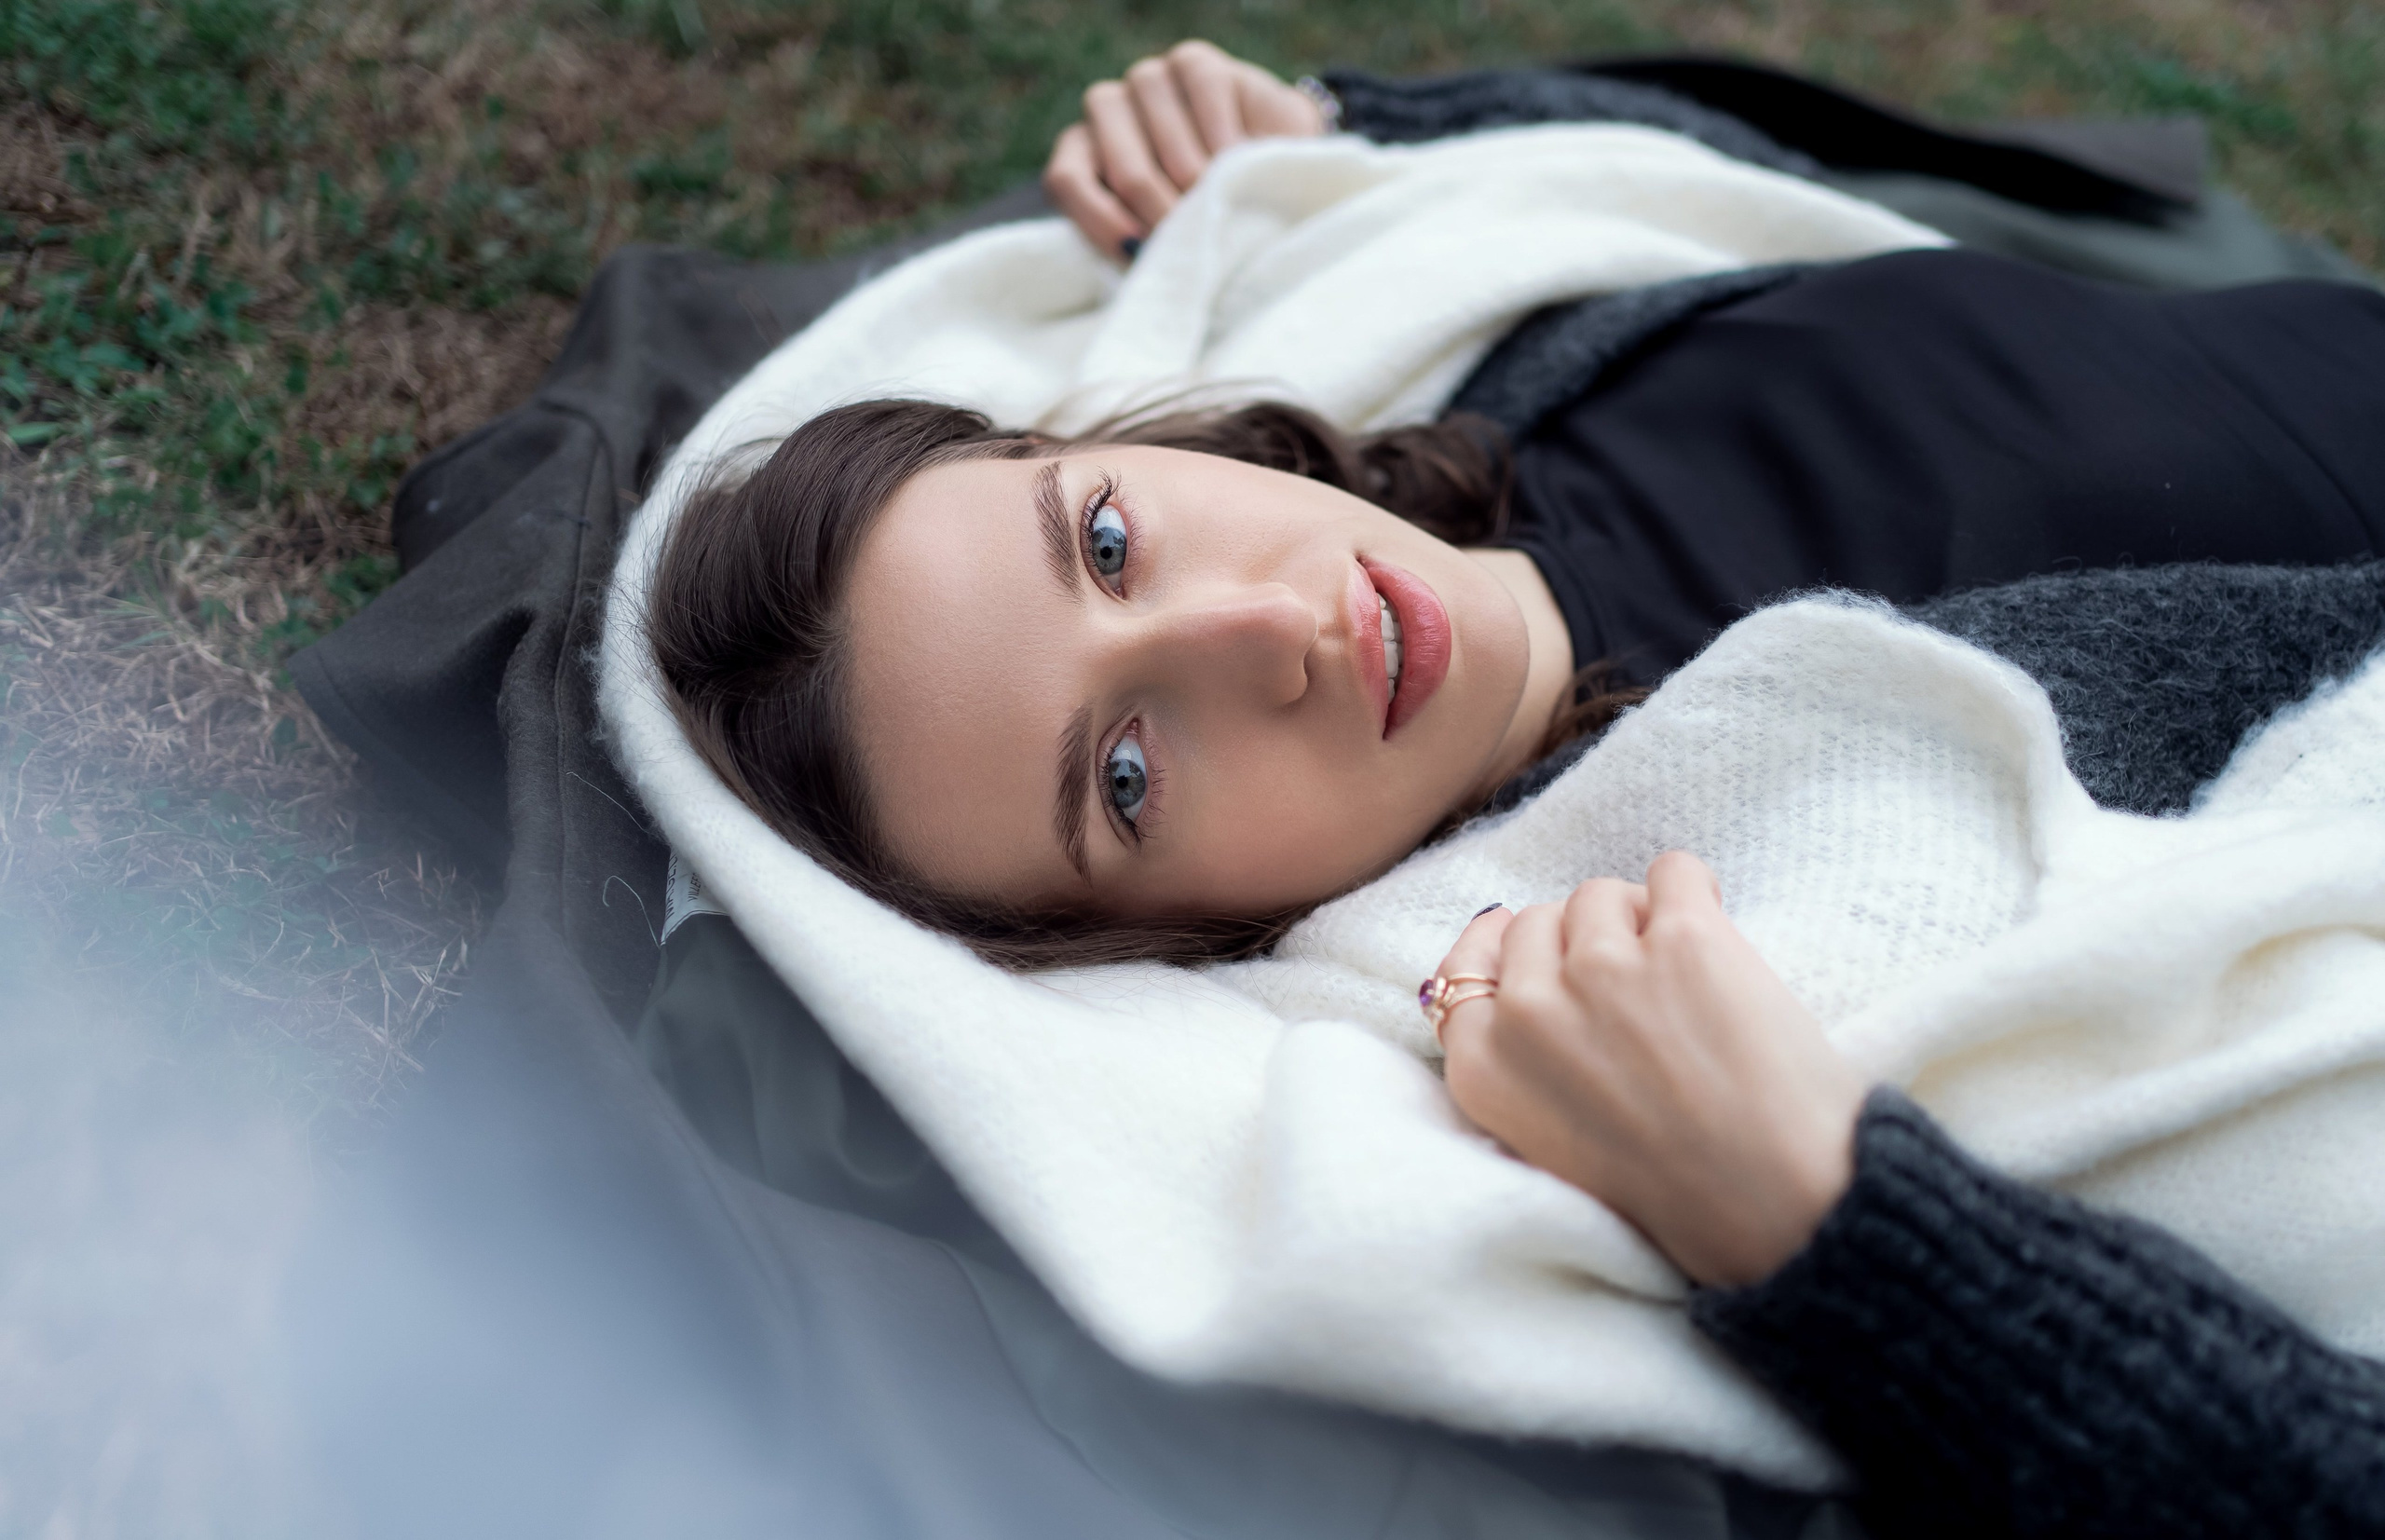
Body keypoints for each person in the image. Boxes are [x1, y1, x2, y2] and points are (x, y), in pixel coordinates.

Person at [646, 42, 2385, 1536]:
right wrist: (1838, 1233)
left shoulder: (1507, 333)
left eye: (1106, 541)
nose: (1268, 631)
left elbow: (1767, 186)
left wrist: (1356, 132)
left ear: (1113, 441)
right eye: (1124, 771)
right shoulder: (1731, 936)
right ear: (1159, 942)